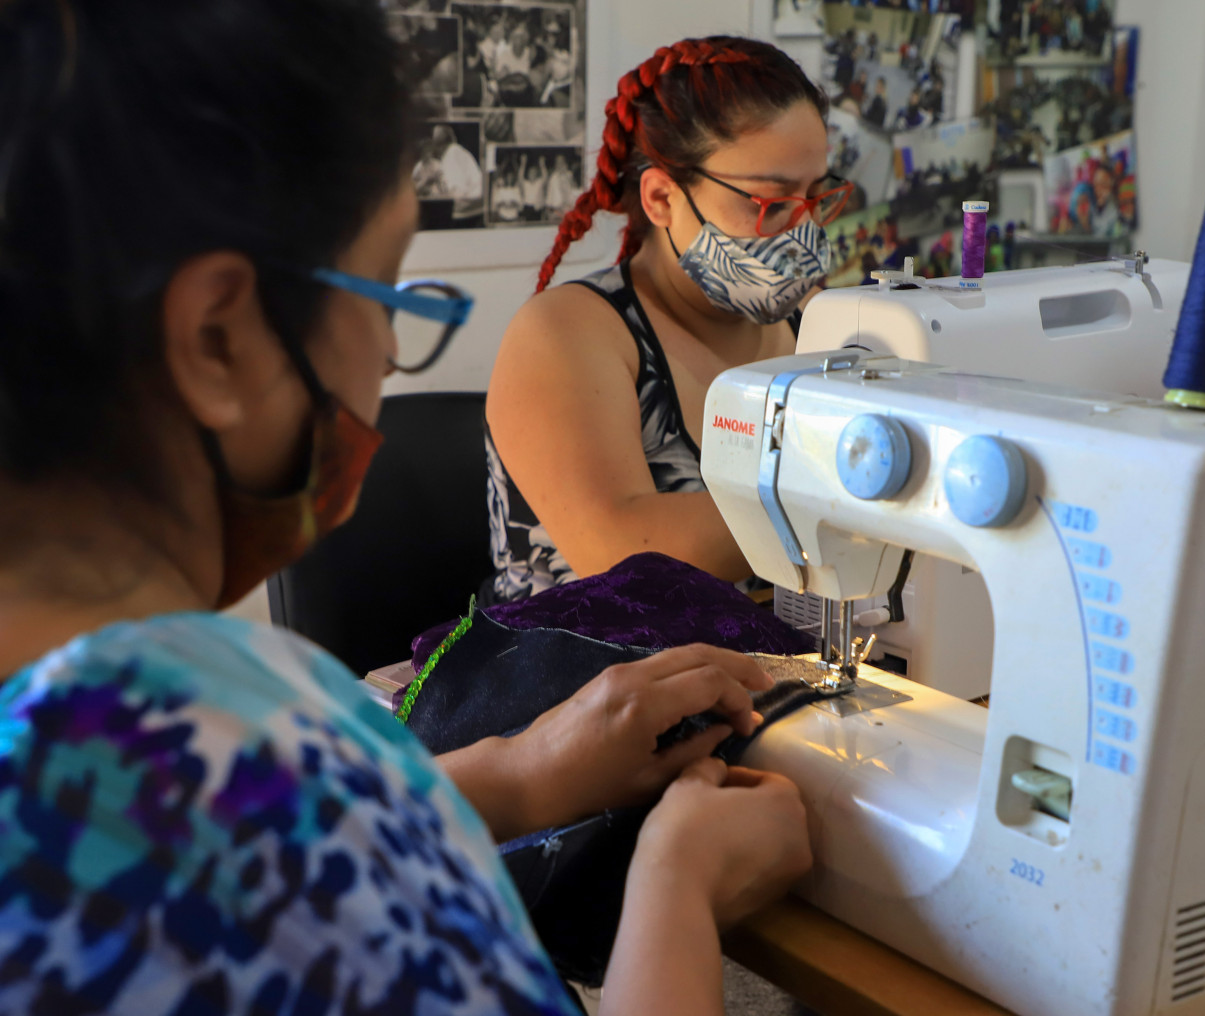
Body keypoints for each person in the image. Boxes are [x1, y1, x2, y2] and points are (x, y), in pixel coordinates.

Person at [0, 4, 812, 1015]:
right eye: (385, 293)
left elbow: (295, 825)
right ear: (216, 338)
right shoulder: (223, 741)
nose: (389, 354)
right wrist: (679, 885)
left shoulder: (171, 744)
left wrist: (518, 776)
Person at [485, 37, 852, 601]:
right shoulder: (566, 332)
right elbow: (620, 555)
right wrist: (852, 493)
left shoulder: (815, 322)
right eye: (771, 203)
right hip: (586, 677)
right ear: (661, 199)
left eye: (815, 198)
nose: (803, 231)